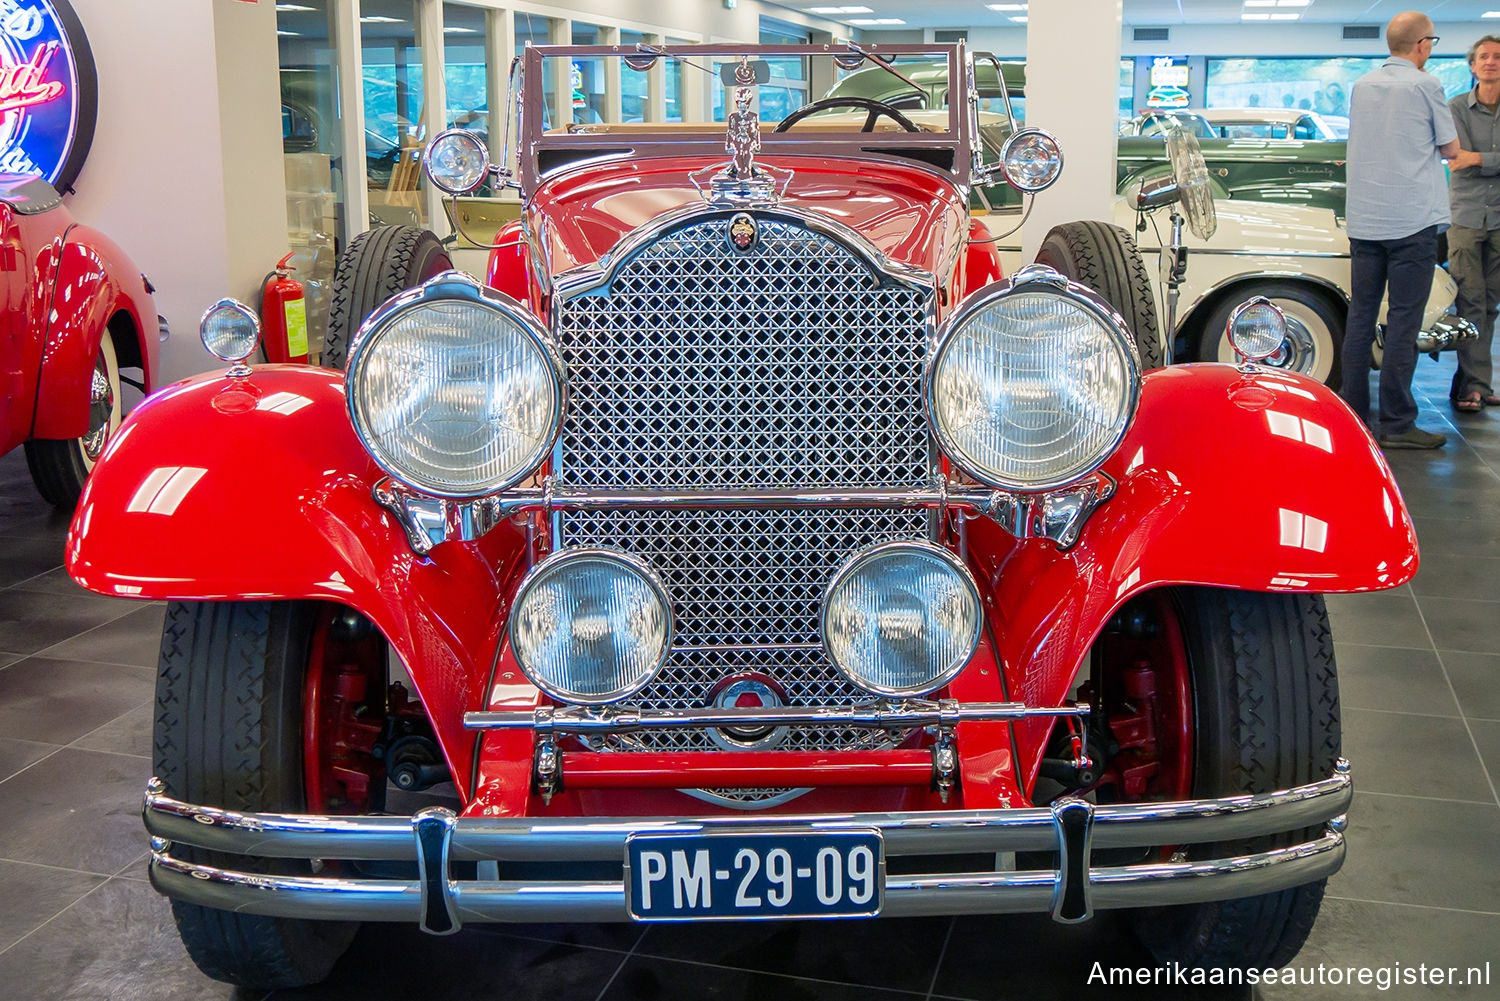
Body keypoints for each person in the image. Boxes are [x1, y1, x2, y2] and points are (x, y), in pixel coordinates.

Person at [1342, 11, 1458, 449]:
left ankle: (1355, 416)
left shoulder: (1363, 85)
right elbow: (1450, 147)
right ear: (1423, 45)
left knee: (1361, 317)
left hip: (1366, 220)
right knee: (1404, 322)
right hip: (1411, 221)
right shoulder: (1425, 84)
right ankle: (1396, 422)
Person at [1445, 35, 1500, 413]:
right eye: (1484, 56)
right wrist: (1489, 159)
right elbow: (1456, 160)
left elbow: (1470, 158)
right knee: (1470, 302)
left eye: (1498, 57)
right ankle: (1470, 386)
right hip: (1464, 217)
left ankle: (1477, 384)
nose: (1491, 62)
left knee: (1491, 303)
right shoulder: (1456, 107)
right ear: (1472, 65)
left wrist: (1477, 158)